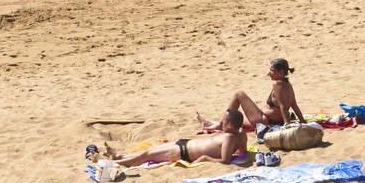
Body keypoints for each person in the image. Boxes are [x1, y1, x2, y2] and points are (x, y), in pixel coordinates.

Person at [104, 108, 248, 169]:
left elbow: (226, 160)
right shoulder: (239, 133)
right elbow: (243, 153)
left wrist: (205, 158)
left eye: (223, 121)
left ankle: (116, 162)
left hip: (184, 152)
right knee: (151, 149)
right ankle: (119, 156)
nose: (220, 123)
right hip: (185, 143)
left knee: (147, 155)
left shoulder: (229, 137)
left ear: (229, 125)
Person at [202, 58, 303, 131]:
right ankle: (213, 123)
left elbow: (283, 107)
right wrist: (303, 121)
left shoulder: (277, 84)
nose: (268, 73)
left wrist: (287, 125)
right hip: (271, 120)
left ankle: (219, 124)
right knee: (237, 122)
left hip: (265, 120)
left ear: (281, 72)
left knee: (238, 94)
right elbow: (294, 105)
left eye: (272, 70)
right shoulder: (287, 84)